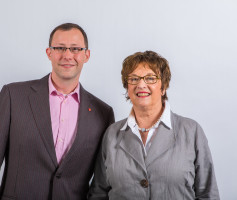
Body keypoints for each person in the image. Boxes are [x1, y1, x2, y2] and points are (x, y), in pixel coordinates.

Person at [0, 23, 115, 200]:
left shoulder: (103, 113)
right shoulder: (13, 96)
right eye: (59, 48)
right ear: (49, 53)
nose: (67, 55)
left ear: (86, 55)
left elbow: (102, 180)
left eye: (75, 49)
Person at [88, 51, 220, 199]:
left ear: (163, 87)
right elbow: (98, 193)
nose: (141, 84)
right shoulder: (112, 134)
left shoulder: (191, 131)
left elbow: (207, 194)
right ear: (127, 87)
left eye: (150, 78)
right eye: (134, 79)